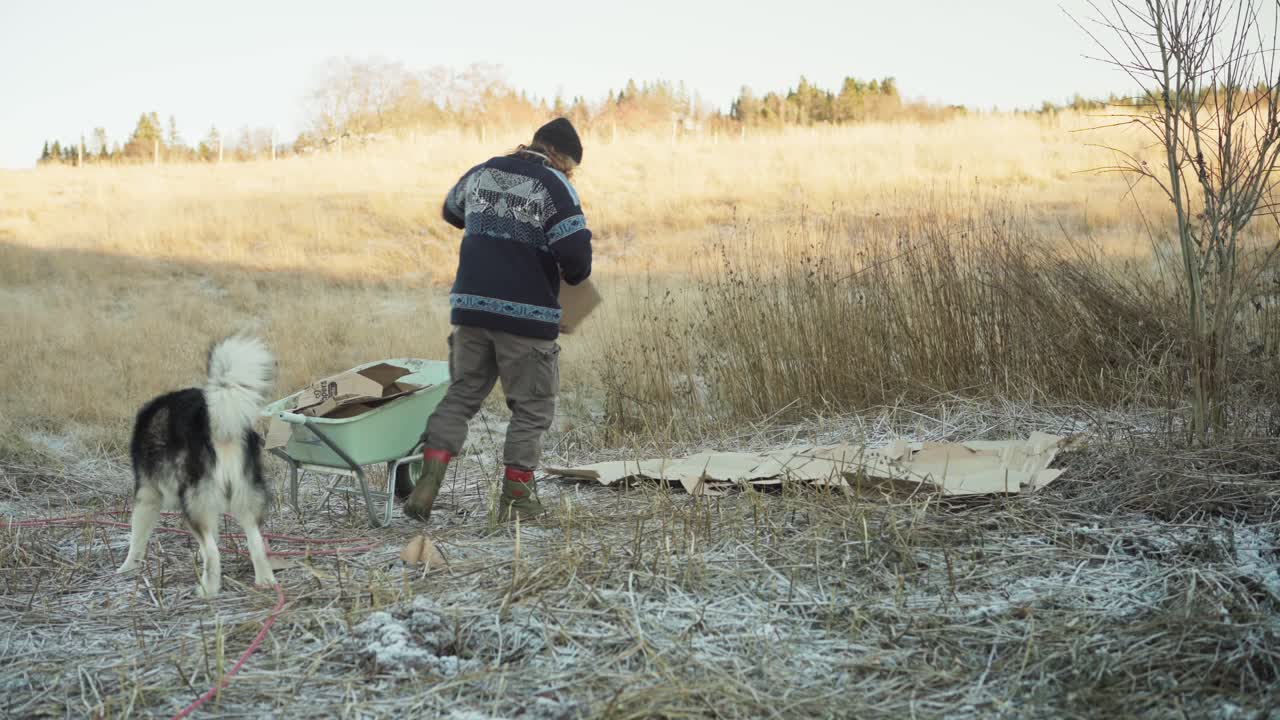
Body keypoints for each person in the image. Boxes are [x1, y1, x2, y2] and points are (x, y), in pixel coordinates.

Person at [405, 117, 592, 524]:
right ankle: (518, 499)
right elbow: (577, 258)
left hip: (470, 311)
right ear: (560, 157)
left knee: (461, 396)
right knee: (532, 408)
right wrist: (567, 275)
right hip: (526, 320)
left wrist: (489, 226)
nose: (570, 174)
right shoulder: (554, 185)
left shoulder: (482, 172)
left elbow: (452, 210)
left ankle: (428, 482)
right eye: (571, 167)